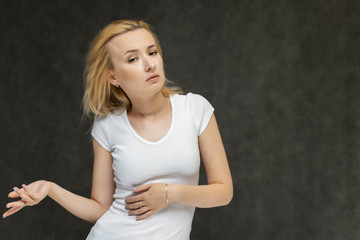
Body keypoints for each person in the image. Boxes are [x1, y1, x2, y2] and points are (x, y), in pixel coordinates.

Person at [2, 20, 233, 239]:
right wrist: (50, 188)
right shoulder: (107, 126)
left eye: (152, 52)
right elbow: (101, 209)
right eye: (133, 59)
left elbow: (223, 192)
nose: (149, 64)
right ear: (113, 77)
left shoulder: (195, 109)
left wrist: (169, 194)